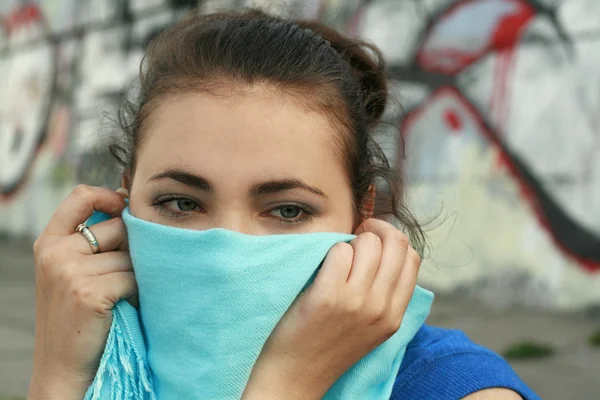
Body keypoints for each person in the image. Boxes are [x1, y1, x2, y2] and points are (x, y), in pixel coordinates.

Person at [28, 9, 538, 400]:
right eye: (181, 202)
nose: (227, 252)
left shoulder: (454, 389)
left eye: (288, 210)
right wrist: (57, 372)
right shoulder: (104, 351)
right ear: (126, 198)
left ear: (361, 215)